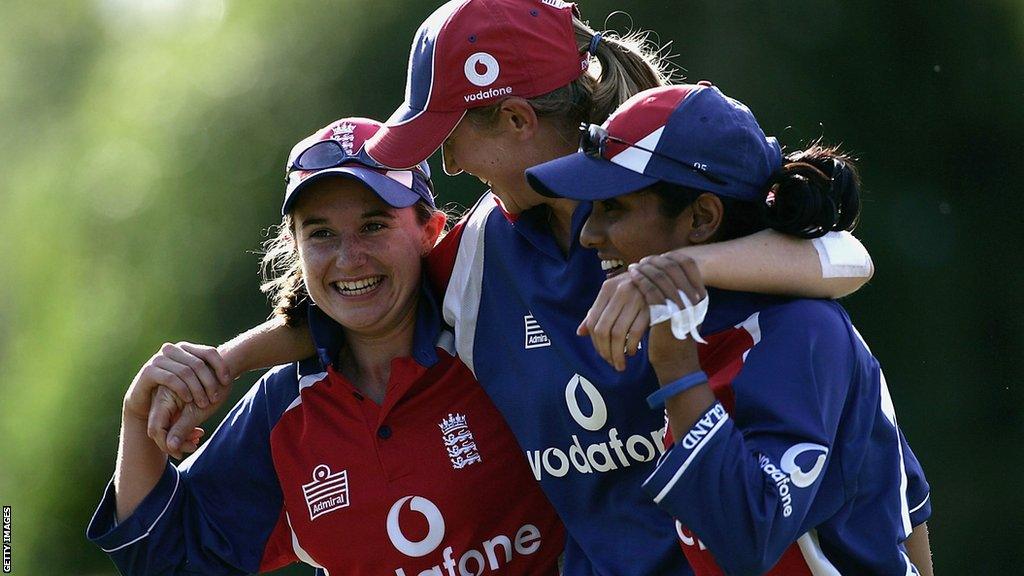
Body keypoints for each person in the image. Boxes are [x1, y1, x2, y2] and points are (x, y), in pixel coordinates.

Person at [147, 2, 879, 574]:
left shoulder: (669, 212)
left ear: (520, 119)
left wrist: (680, 273)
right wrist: (230, 362)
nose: (454, 167)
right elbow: (369, 295)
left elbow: (843, 259)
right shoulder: (482, 253)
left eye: (453, 137)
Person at [87, 117, 565, 575]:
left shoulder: (495, 332)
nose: (349, 258)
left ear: (431, 231)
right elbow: (162, 559)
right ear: (295, 248)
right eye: (321, 234)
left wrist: (233, 358)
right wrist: (136, 415)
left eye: (374, 225)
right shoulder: (285, 410)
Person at [525, 82, 933, 575]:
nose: (588, 235)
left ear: (701, 219)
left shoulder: (799, 329)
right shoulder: (707, 321)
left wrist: (676, 372)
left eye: (614, 208)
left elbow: (748, 535)